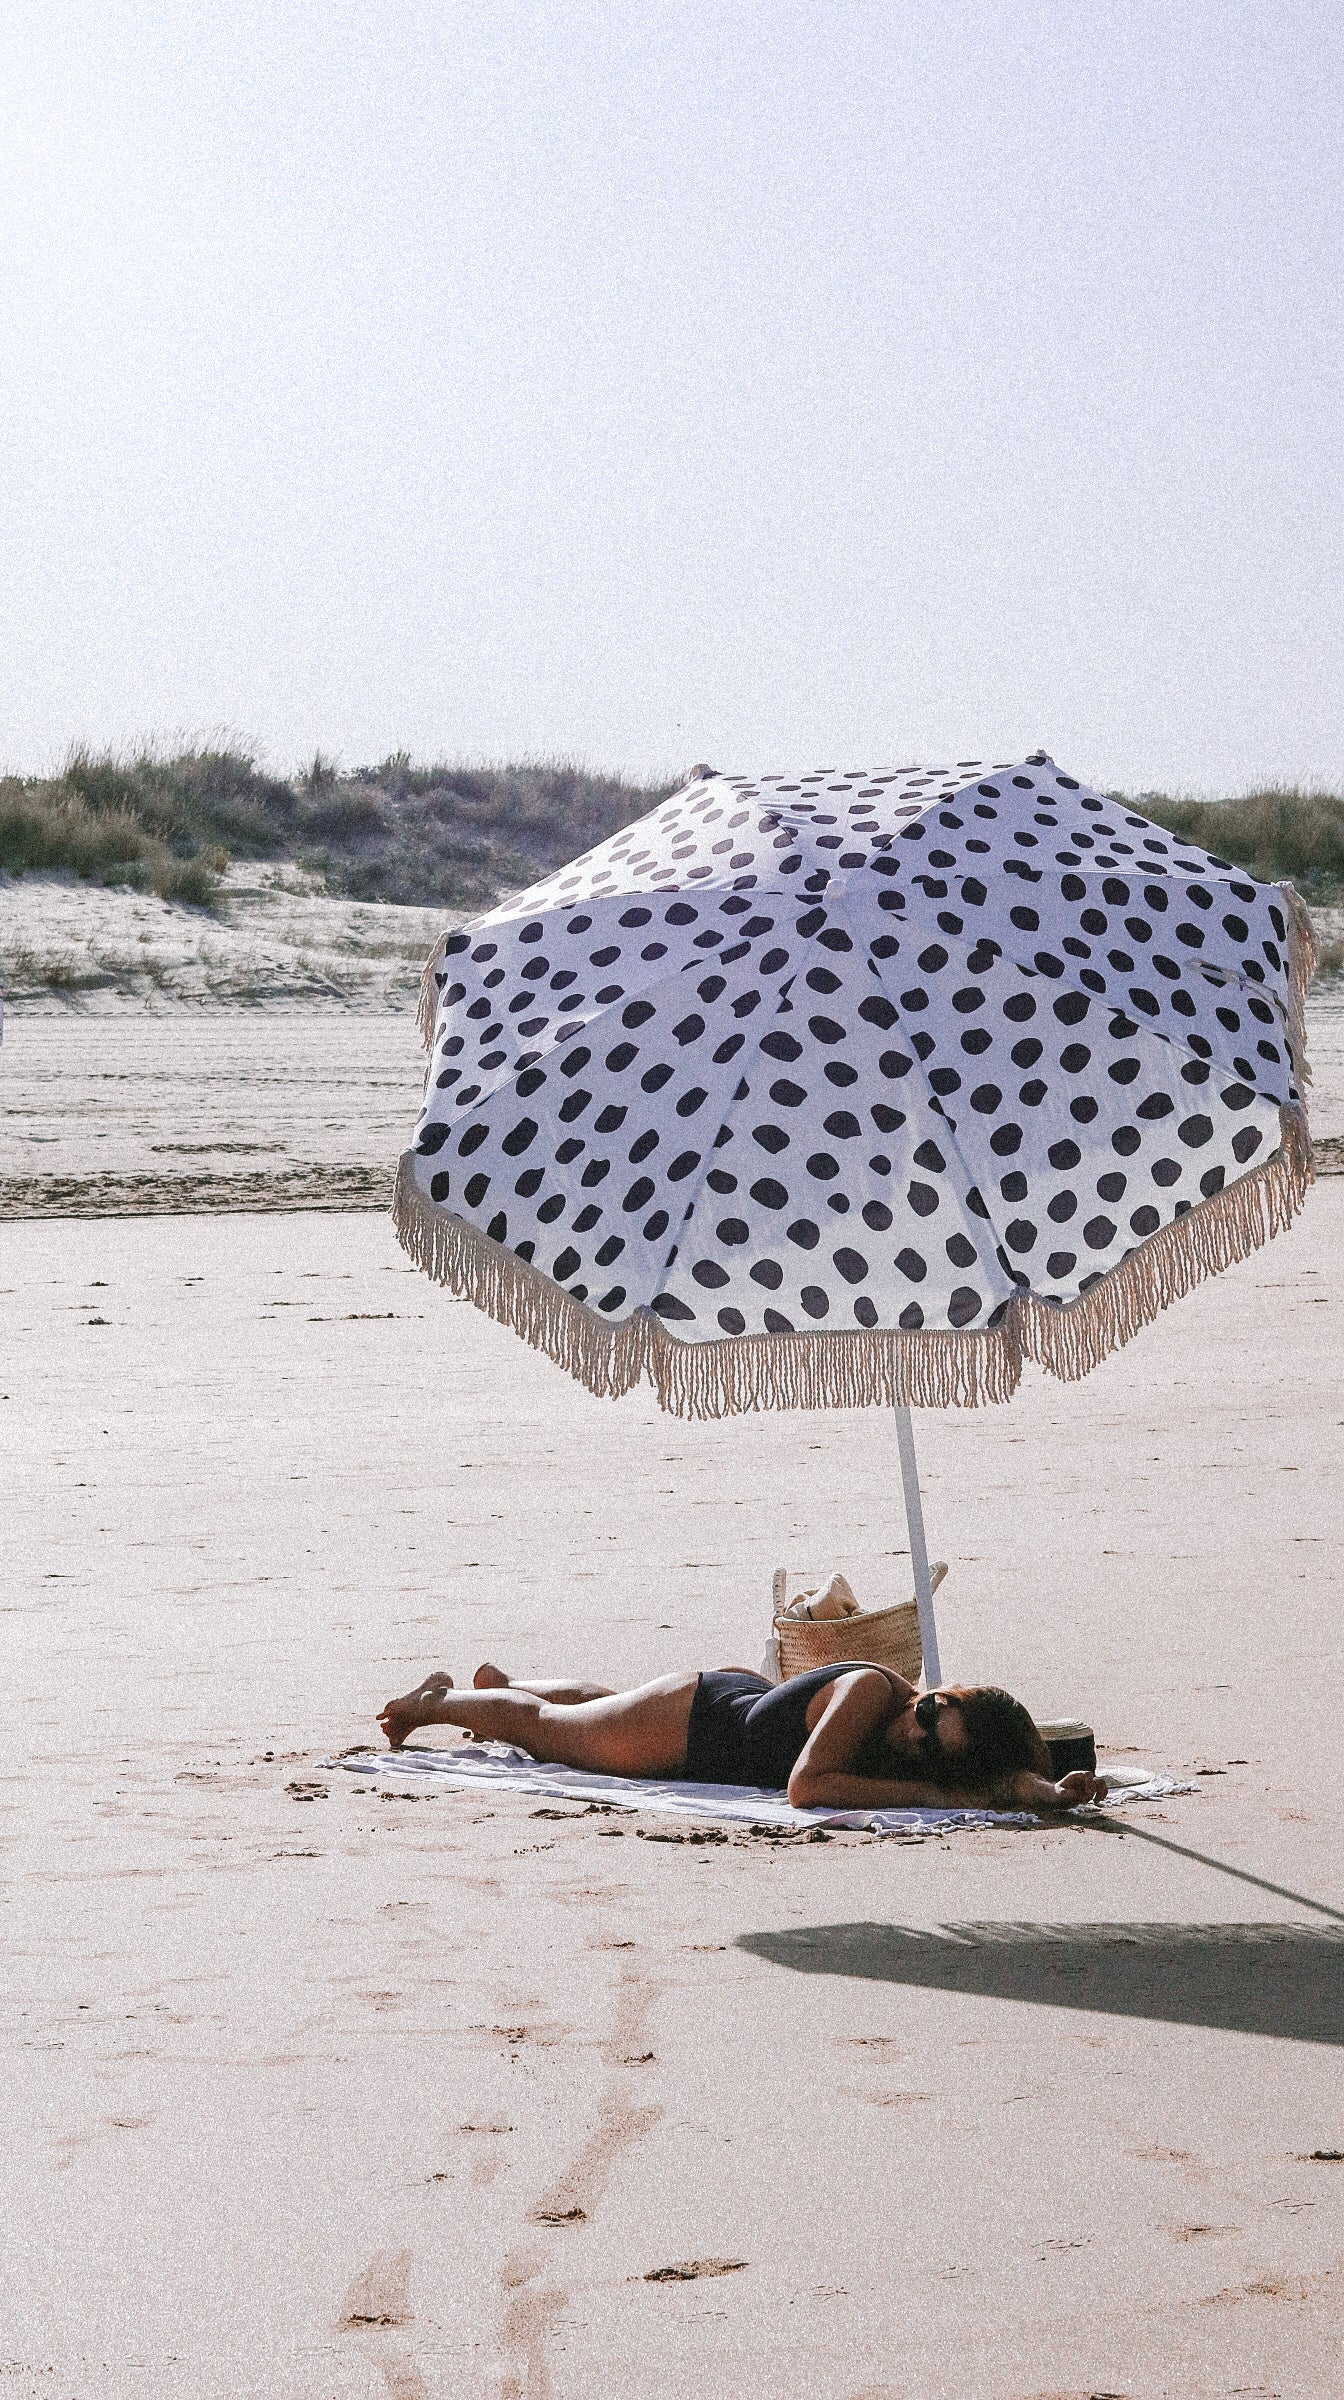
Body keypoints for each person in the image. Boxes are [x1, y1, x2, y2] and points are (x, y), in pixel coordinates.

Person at [376, 1659, 1106, 1812]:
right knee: (549, 1733)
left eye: (929, 1750)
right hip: (696, 1728)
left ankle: (500, 1683)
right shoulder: (870, 1692)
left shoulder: (920, 1726)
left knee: (599, 1706)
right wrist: (968, 1802)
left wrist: (1037, 1788)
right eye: (926, 1719)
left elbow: (1015, 1770)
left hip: (726, 1705)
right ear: (947, 1692)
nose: (910, 1737)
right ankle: (437, 1703)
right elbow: (807, 1788)